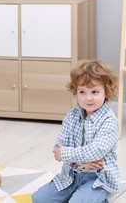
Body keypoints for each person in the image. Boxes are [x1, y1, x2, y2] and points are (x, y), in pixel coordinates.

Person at [32, 59, 120, 203]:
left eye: (95, 92)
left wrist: (66, 153)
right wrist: (82, 162)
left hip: (98, 178)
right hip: (71, 175)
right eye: (82, 92)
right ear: (76, 92)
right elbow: (57, 150)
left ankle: (96, 197)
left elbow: (95, 151)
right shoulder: (72, 115)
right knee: (38, 199)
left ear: (106, 92)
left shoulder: (108, 121)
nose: (88, 98)